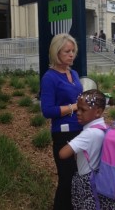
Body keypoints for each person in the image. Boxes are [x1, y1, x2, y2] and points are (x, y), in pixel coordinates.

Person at [40, 33, 83, 210]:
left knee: (79, 178)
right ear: (56, 53)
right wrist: (74, 107)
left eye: (73, 51)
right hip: (63, 133)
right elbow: (47, 110)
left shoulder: (73, 73)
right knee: (67, 179)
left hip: (81, 130)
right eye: (67, 51)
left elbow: (79, 98)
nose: (71, 54)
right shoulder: (49, 78)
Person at [59, 89, 115, 210]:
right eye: (77, 109)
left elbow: (62, 154)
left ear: (98, 112)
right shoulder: (104, 127)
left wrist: (72, 144)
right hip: (102, 180)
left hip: (88, 183)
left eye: (83, 110)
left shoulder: (89, 134)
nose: (78, 113)